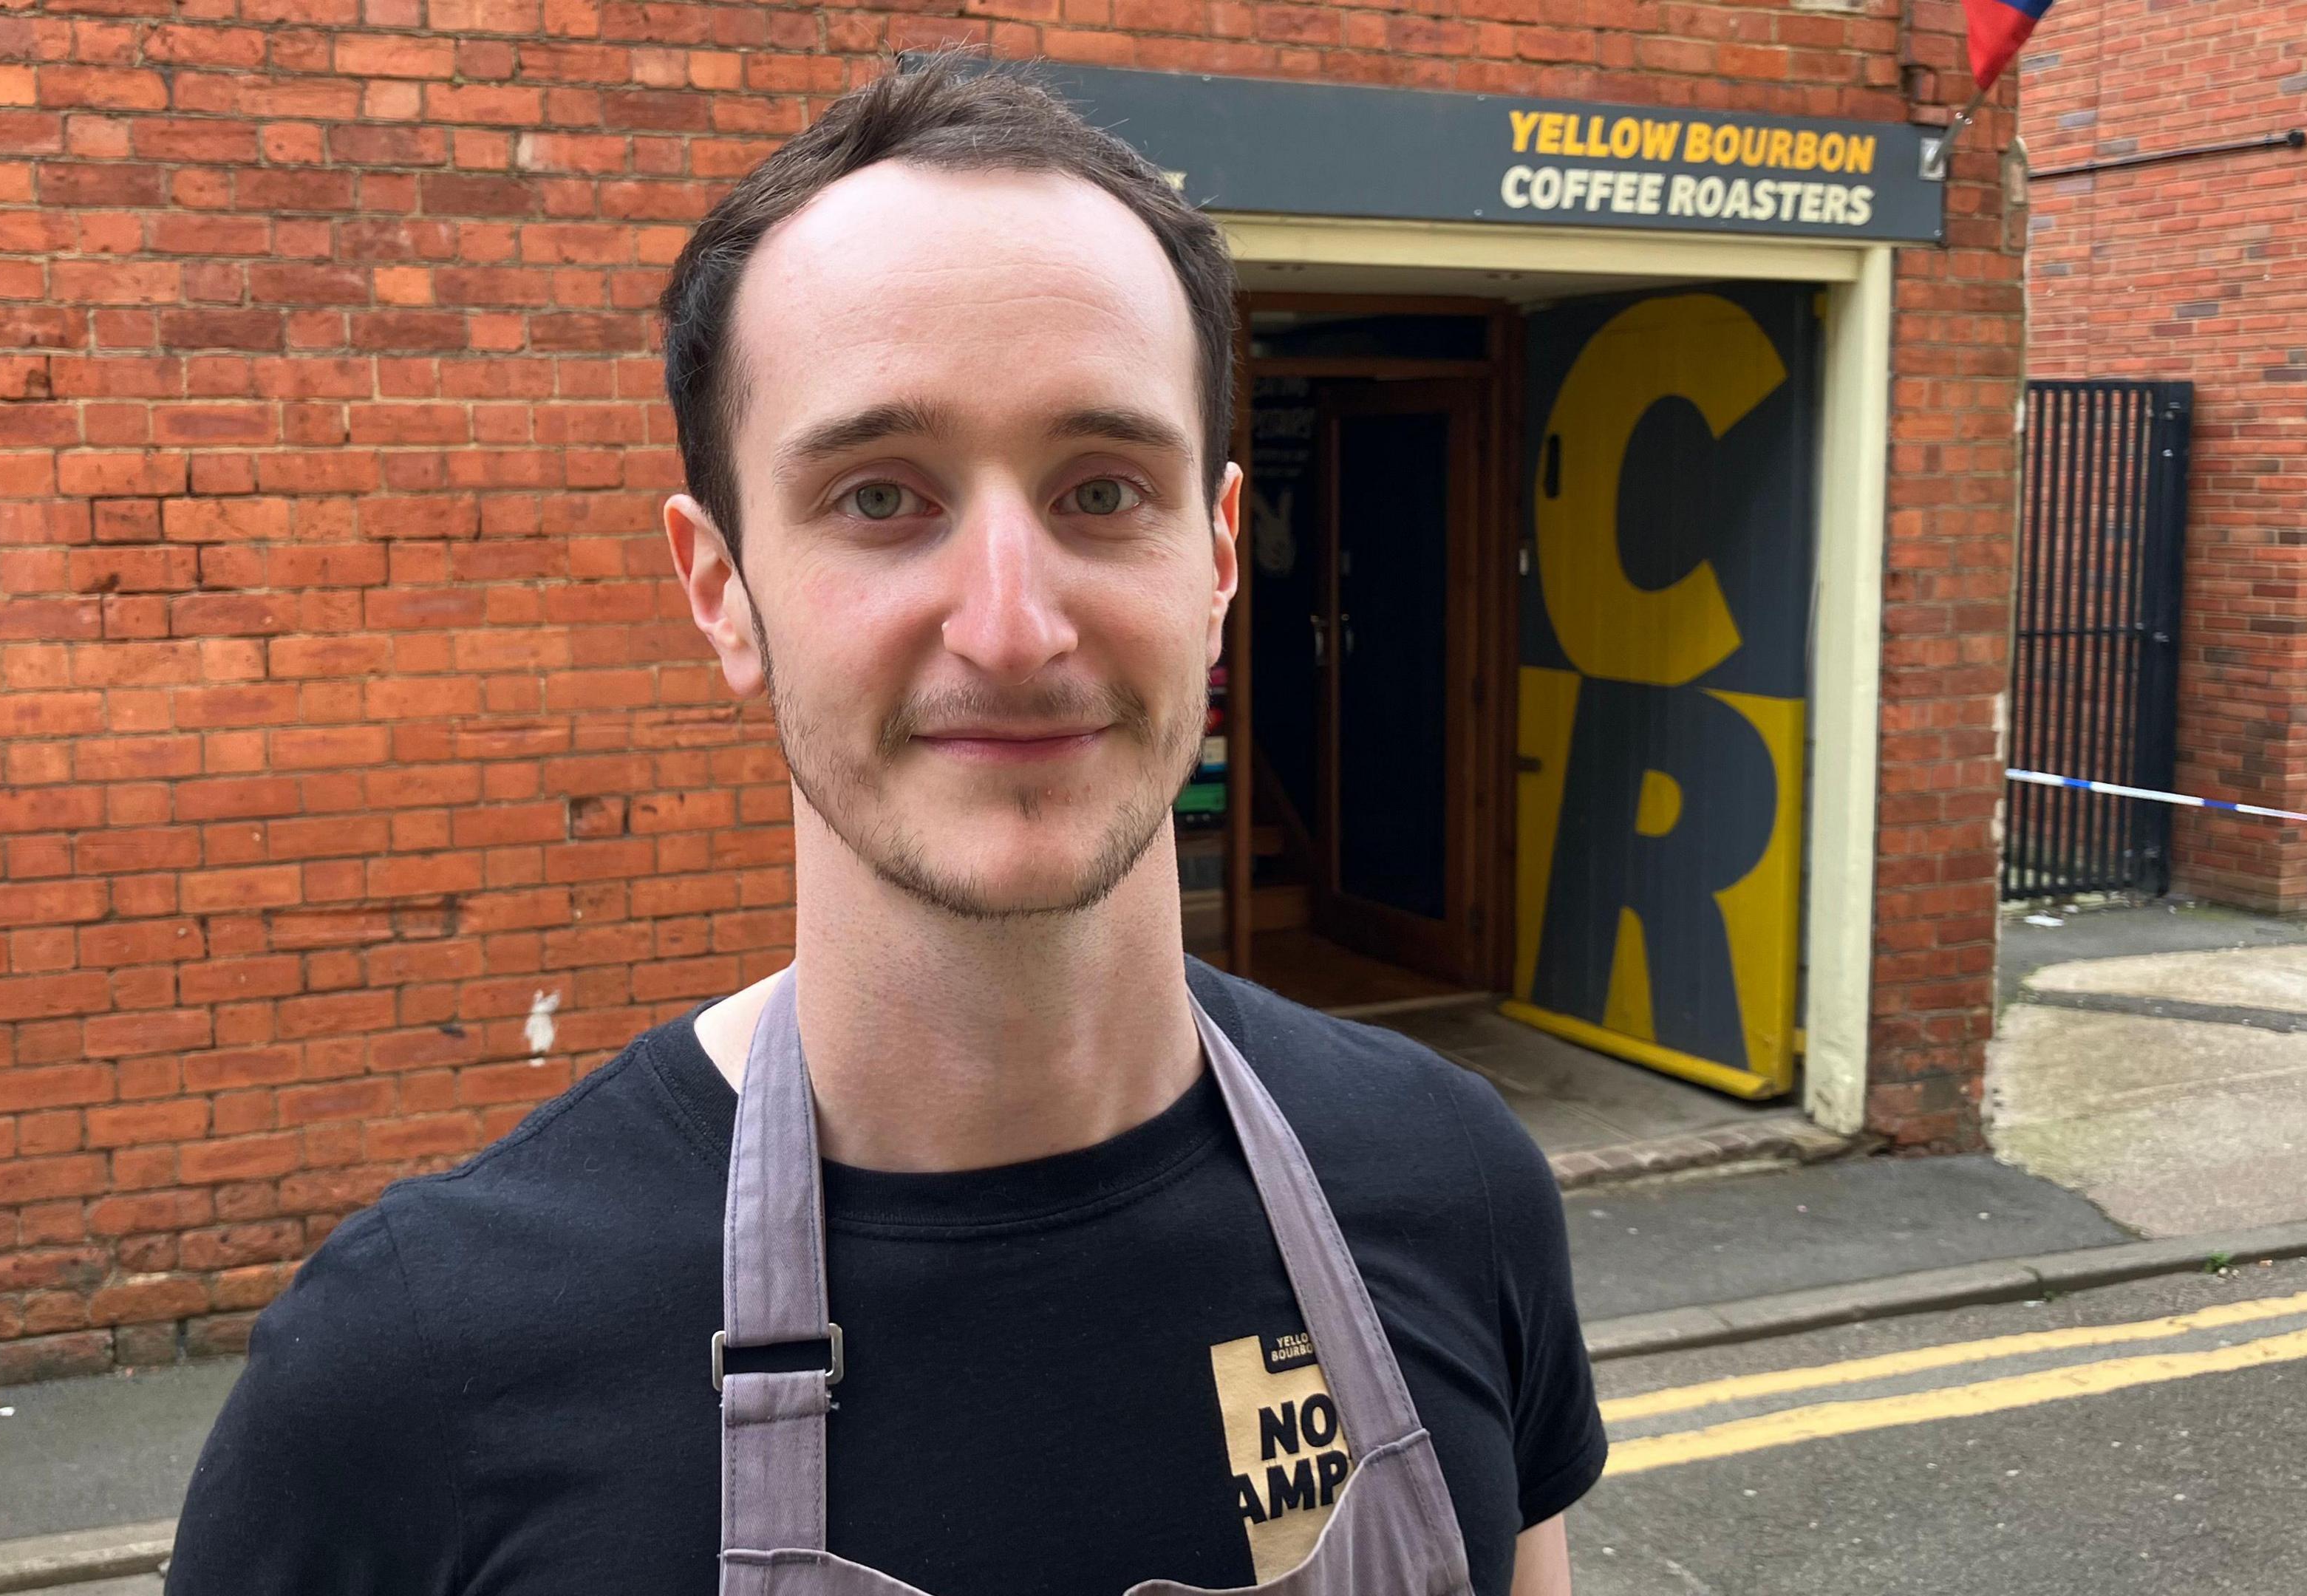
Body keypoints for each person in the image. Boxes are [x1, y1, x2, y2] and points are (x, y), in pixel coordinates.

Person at [164, 55, 1603, 1596]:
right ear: (720, 589)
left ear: (1221, 555)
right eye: (878, 497)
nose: (1010, 625)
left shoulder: (1455, 1188)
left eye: (1104, 489)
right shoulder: (414, 1370)